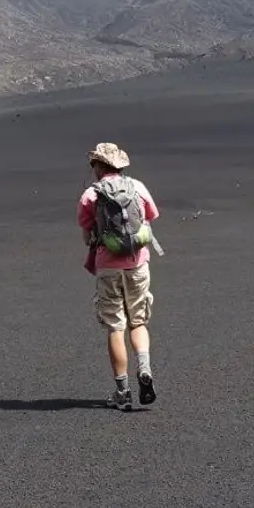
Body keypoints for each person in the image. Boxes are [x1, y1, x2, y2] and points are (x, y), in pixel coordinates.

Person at [79, 142, 161, 410]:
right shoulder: (137, 186)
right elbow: (152, 216)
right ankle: (145, 369)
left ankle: (123, 392)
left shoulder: (90, 195)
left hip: (108, 266)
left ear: (98, 167)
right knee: (138, 322)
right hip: (137, 264)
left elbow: (86, 233)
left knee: (116, 326)